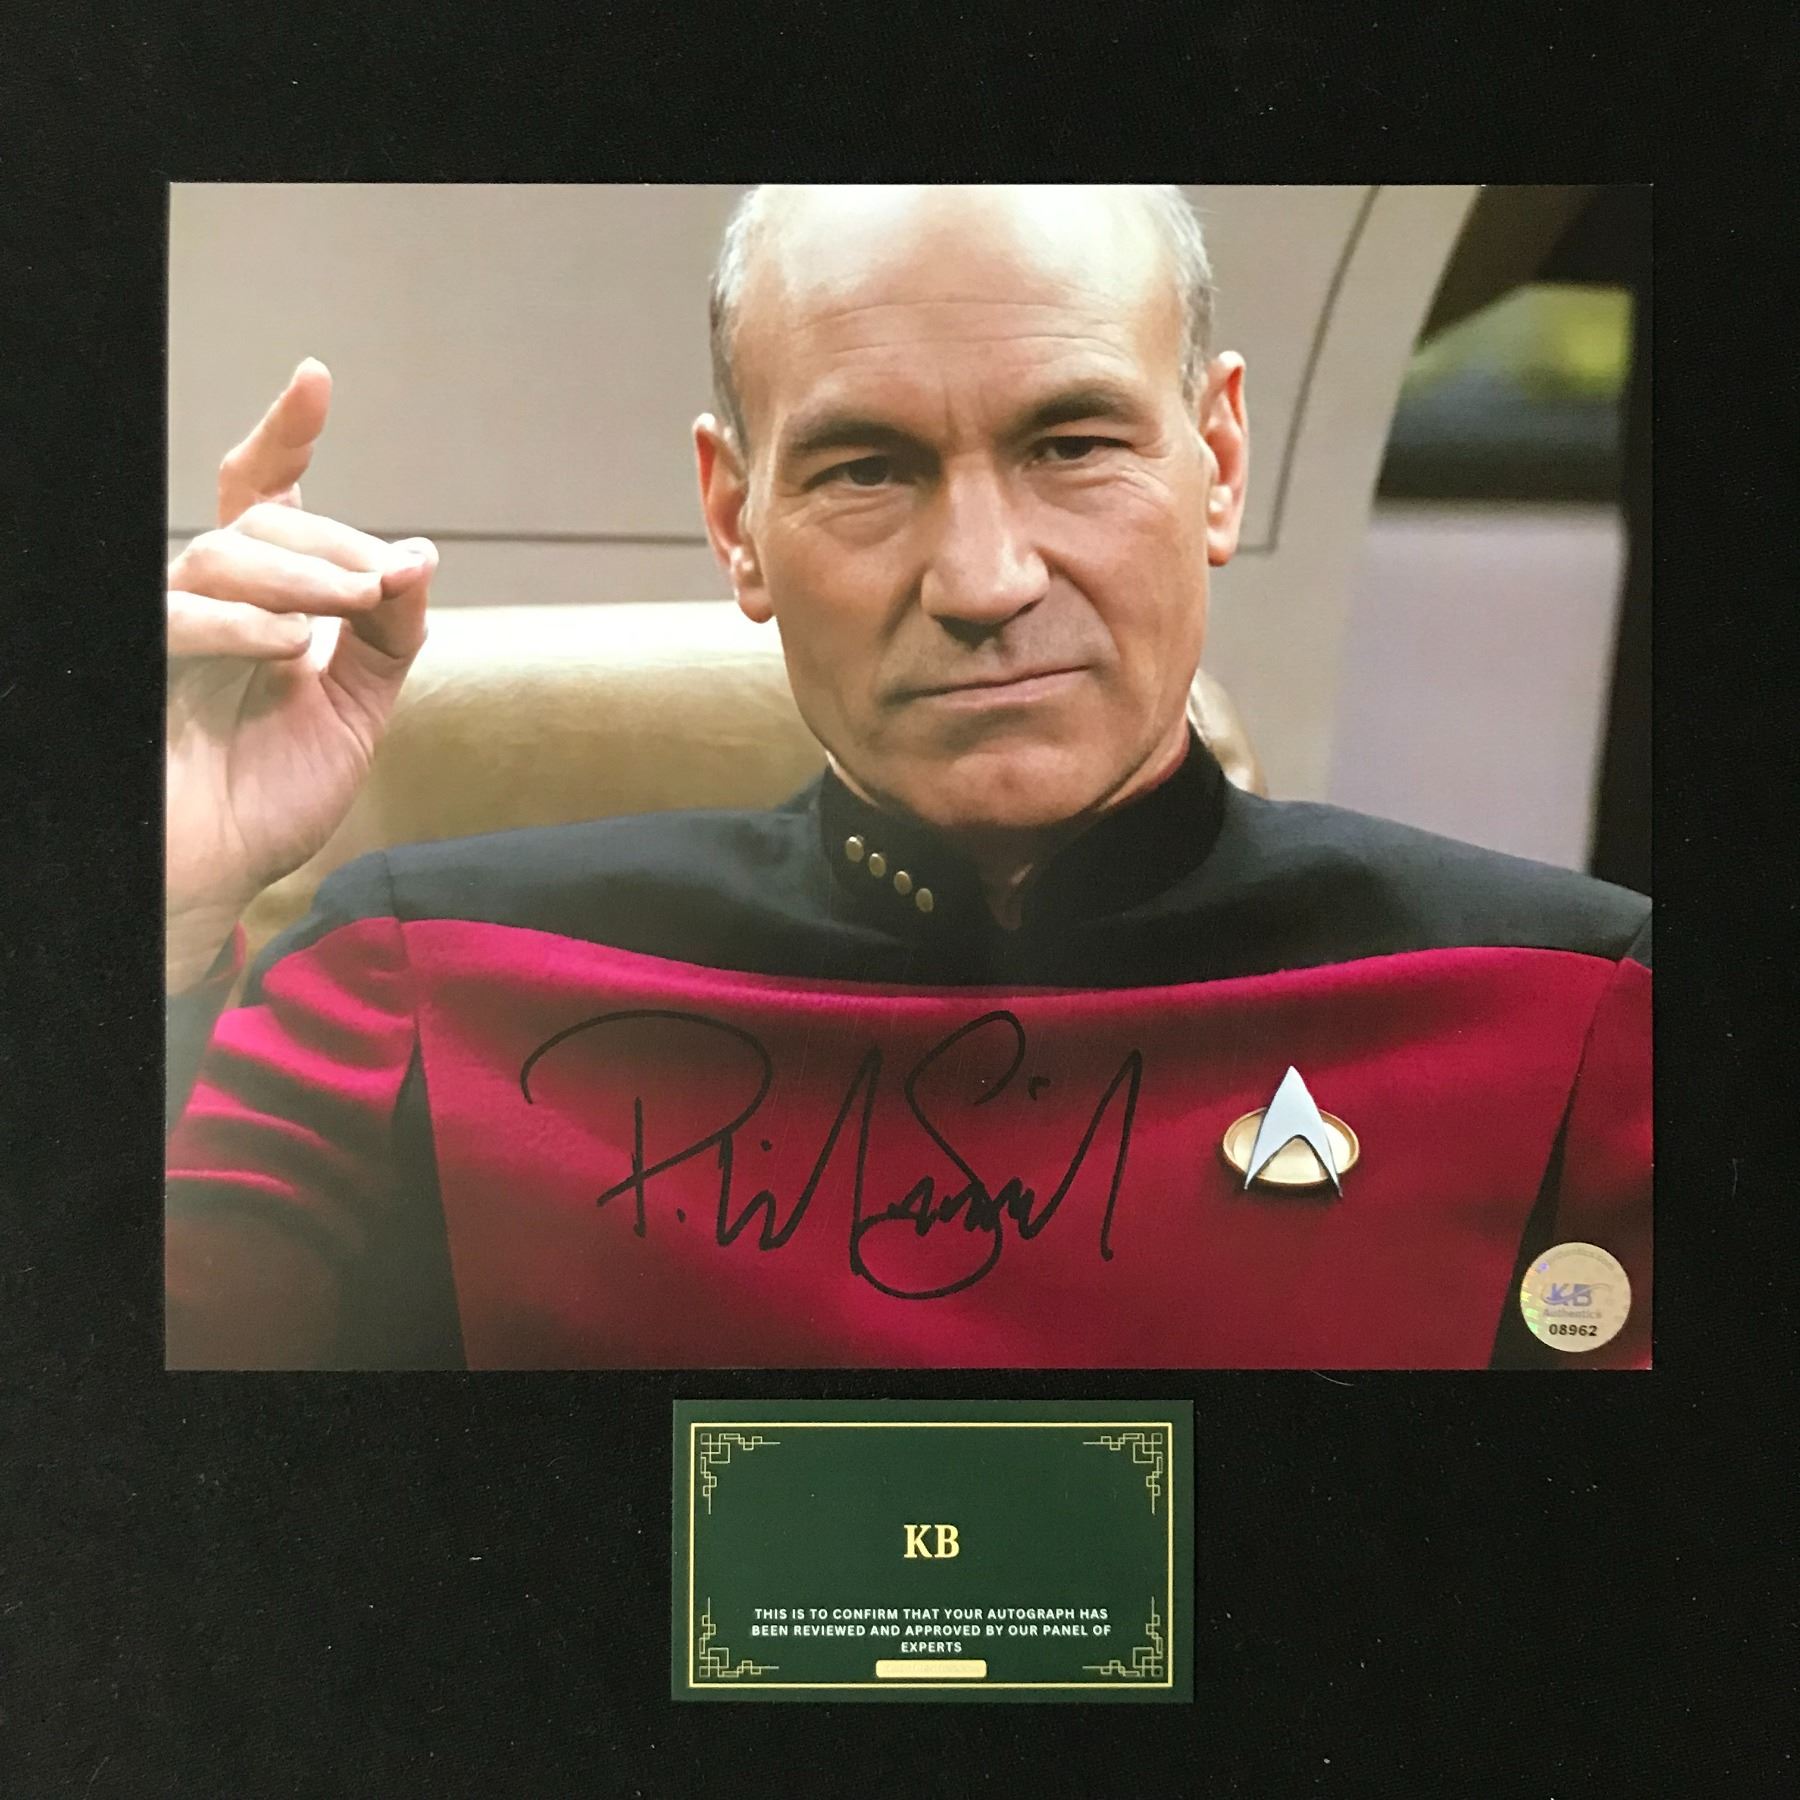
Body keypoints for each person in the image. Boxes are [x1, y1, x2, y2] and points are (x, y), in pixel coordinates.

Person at [165, 184, 1651, 1370]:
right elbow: (113, 1493)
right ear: (736, 520)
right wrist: (158, 926)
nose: (985, 580)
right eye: (867, 470)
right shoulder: (419, 985)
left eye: (1072, 445)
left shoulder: (1569, 1011)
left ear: (1218, 458)